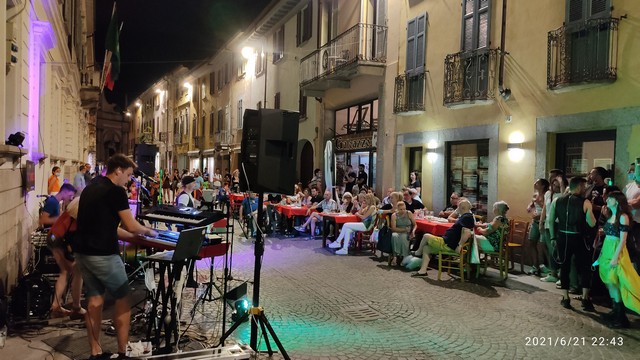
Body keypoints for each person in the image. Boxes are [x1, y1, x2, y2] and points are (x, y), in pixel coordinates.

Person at [74, 154, 158, 360]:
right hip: (103, 254)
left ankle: (96, 352)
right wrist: (149, 232)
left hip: (83, 253)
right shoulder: (115, 192)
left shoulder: (91, 187)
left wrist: (133, 237)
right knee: (123, 298)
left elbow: (110, 227)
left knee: (94, 302)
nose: (129, 179)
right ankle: (123, 352)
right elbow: (131, 224)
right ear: (118, 170)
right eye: (128, 174)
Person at [548, 177, 596, 310]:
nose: (585, 188)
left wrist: (552, 237)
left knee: (565, 266)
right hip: (580, 238)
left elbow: (551, 220)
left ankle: (565, 297)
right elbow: (592, 223)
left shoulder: (557, 201)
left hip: (563, 236)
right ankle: (585, 298)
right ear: (580, 187)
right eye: (584, 186)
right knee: (585, 267)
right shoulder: (585, 202)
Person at [596, 191, 640, 328]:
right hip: (607, 249)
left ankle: (621, 317)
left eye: (610, 198)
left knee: (616, 282)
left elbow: (623, 241)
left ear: (617, 201)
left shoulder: (623, 217)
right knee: (610, 282)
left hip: (616, 251)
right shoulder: (610, 215)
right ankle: (616, 312)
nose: (607, 200)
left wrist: (615, 258)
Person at [411, 199, 474, 277]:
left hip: (448, 244)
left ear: (462, 208)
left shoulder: (467, 217)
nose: (457, 209)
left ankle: (418, 252)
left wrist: (460, 245)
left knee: (426, 236)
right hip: (447, 242)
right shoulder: (466, 216)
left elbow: (467, 232)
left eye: (458, 207)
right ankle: (422, 271)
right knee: (426, 248)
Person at [47, 196, 85, 319]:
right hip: (57, 239)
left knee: (67, 272)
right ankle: (74, 307)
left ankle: (57, 305)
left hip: (54, 237)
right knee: (72, 271)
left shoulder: (76, 204)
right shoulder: (80, 209)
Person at [526, 179, 550, 276]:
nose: (534, 184)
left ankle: (549, 268)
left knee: (544, 245)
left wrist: (539, 203)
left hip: (543, 223)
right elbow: (532, 205)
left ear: (543, 186)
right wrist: (529, 206)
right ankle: (535, 266)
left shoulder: (547, 195)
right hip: (535, 222)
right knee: (532, 242)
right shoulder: (535, 195)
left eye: (537, 183)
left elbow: (547, 208)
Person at [623, 164, 640, 272]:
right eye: (629, 170)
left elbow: (637, 203)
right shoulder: (628, 186)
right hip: (629, 223)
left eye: (633, 170)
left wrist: (625, 203)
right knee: (630, 253)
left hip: (638, 224)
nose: (630, 172)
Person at [389, 201, 416, 266]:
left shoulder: (409, 213)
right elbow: (393, 228)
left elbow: (415, 224)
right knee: (394, 236)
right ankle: (395, 257)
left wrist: (413, 231)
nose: (403, 210)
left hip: (407, 232)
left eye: (404, 209)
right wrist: (404, 230)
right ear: (397, 209)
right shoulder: (394, 215)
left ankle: (404, 256)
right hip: (398, 230)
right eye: (401, 209)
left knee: (404, 237)